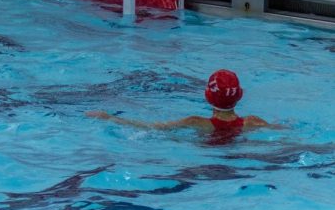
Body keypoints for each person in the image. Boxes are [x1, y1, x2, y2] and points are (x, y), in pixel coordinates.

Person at [87, 69, 282, 141]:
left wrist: (110, 118)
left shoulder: (196, 123)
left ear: (208, 97)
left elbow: (152, 128)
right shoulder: (252, 122)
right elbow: (284, 132)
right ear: (239, 96)